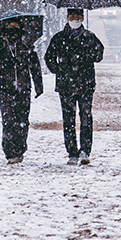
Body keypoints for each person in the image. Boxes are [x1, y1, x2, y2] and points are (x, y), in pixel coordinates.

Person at [44, 8, 105, 163]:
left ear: (83, 18)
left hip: (85, 84)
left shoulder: (90, 37)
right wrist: (59, 70)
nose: (75, 19)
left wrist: (86, 56)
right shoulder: (59, 38)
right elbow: (49, 57)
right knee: (68, 120)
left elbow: (99, 55)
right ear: (67, 17)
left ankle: (85, 151)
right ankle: (72, 152)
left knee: (86, 118)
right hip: (66, 85)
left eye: (78, 17)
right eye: (72, 17)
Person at [0, 18, 43, 164]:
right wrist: (6, 63)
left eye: (16, 26)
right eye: (10, 26)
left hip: (23, 87)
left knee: (22, 121)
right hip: (5, 88)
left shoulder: (27, 44)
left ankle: (20, 148)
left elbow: (35, 65)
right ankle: (9, 151)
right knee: (8, 120)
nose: (13, 29)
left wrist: (38, 85)